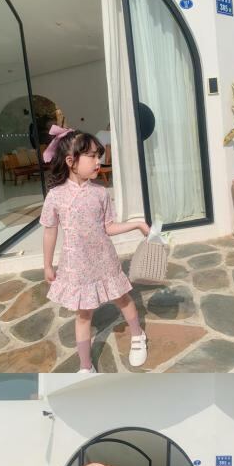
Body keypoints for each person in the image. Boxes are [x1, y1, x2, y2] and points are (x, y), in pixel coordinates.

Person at [41, 125, 147, 378]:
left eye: (98, 156)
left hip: (104, 260)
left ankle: (138, 335)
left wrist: (136, 224)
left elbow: (109, 227)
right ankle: (85, 366)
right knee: (83, 314)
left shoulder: (100, 193)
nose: (98, 161)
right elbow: (49, 231)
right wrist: (47, 264)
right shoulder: (55, 196)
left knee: (122, 298)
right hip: (76, 266)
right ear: (71, 161)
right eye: (91, 156)